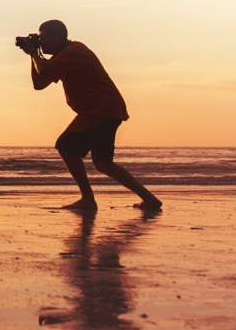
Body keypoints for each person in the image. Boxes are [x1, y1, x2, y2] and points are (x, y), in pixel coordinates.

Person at [19, 20, 163, 212]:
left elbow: (44, 70)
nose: (41, 43)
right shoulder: (62, 56)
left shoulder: (74, 51)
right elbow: (39, 83)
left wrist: (35, 54)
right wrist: (32, 56)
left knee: (65, 145)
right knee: (103, 163)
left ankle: (87, 199)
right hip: (105, 109)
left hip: (100, 110)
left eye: (43, 39)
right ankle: (150, 200)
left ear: (58, 37)